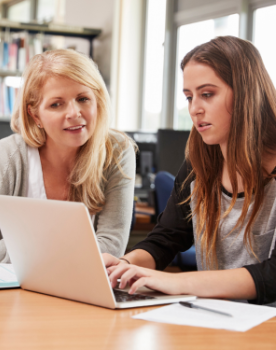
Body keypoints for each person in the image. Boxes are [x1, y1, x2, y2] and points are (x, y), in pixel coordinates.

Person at [105, 36, 276, 306]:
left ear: (246, 93)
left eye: (207, 94)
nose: (194, 108)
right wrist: (123, 266)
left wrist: (175, 283)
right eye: (189, 97)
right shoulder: (200, 165)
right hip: (218, 321)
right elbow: (166, 238)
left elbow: (273, 276)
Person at [0, 49, 136, 263]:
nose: (74, 113)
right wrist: (52, 252)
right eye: (56, 104)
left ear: (97, 100)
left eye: (83, 98)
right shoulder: (5, 157)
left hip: (76, 291)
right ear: (35, 114)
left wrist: (30, 251)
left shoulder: (116, 152)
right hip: (6, 289)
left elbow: (111, 248)